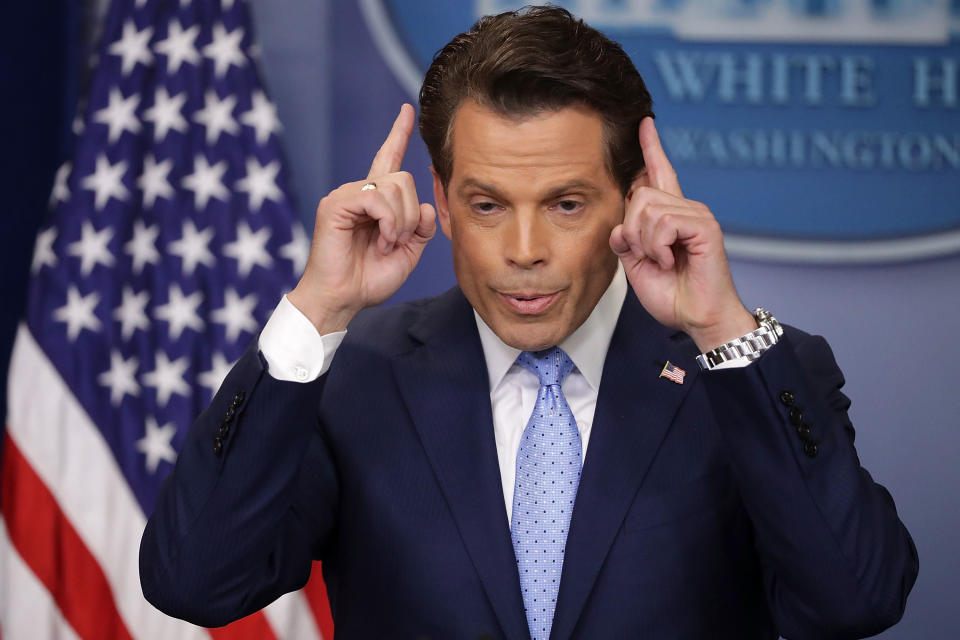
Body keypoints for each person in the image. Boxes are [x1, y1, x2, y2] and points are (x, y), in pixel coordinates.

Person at [140, 6, 918, 639]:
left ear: (635, 197)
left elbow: (855, 601)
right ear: (439, 203)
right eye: (485, 206)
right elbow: (196, 581)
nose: (523, 252)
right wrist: (317, 308)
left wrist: (719, 328)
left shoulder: (744, 372)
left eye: (566, 205)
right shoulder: (355, 376)